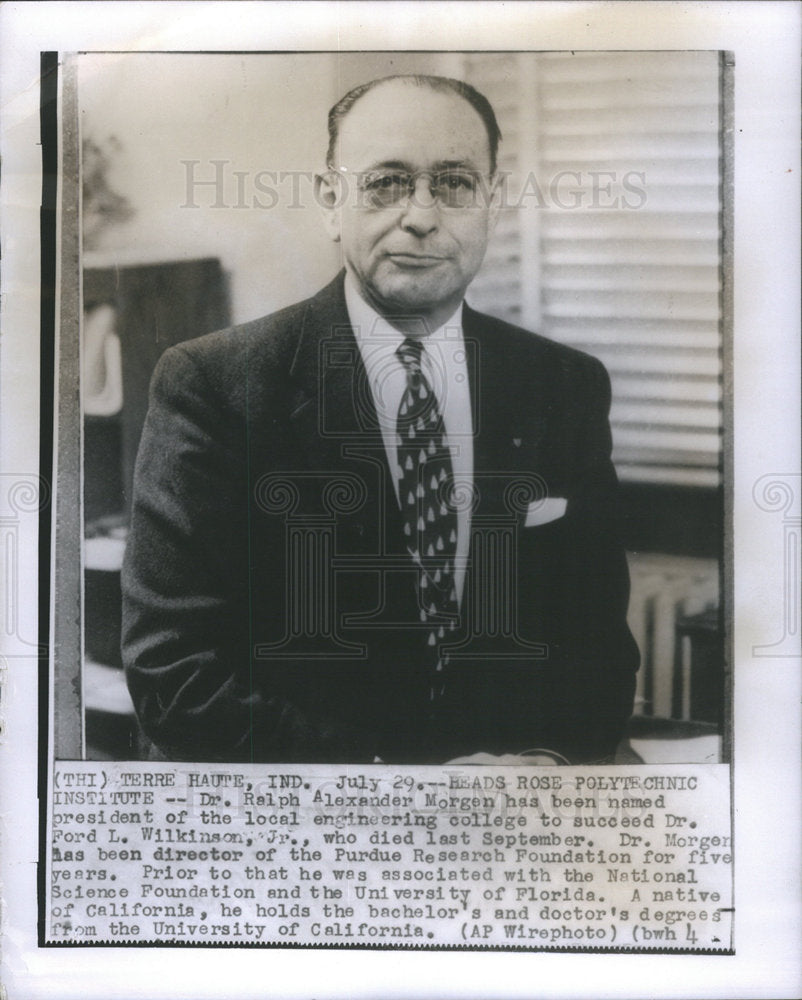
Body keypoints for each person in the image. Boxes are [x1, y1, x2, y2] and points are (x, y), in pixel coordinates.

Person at [121, 74, 639, 764]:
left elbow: (597, 645)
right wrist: (410, 777)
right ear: (333, 202)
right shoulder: (214, 385)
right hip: (304, 815)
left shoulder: (563, 384)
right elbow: (174, 678)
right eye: (387, 182)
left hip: (505, 810)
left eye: (453, 183)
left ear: (491, 203)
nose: (421, 215)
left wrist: (548, 760)